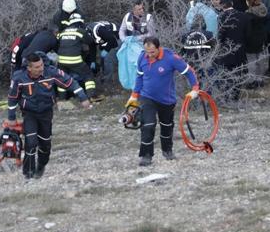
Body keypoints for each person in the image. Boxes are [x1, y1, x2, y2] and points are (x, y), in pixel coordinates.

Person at [7, 53, 92, 179]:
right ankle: (28, 174)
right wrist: (11, 117)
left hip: (46, 113)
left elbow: (70, 82)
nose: (40, 68)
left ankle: (41, 166)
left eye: (41, 65)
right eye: (36, 67)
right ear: (29, 68)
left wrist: (83, 98)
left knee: (45, 145)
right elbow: (12, 97)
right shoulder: (19, 78)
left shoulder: (50, 72)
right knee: (31, 143)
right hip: (29, 113)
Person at [127, 37, 199, 166]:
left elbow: (189, 72)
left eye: (152, 52)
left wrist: (195, 89)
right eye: (147, 51)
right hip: (147, 97)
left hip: (167, 100)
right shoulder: (142, 57)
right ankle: (146, 156)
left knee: (166, 126)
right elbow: (139, 76)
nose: (149, 55)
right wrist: (134, 95)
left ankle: (167, 150)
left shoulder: (171, 58)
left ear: (158, 48)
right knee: (148, 125)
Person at [56, 13, 102, 101]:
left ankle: (62, 99)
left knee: (62, 78)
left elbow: (59, 42)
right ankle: (91, 96)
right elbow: (90, 41)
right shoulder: (80, 31)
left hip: (61, 60)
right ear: (79, 22)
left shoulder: (62, 32)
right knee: (88, 75)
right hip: (74, 59)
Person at [214, 0, 250, 101]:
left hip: (226, 50)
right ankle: (236, 96)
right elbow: (248, 34)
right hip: (240, 49)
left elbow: (220, 36)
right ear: (232, 4)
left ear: (222, 6)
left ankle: (227, 96)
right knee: (238, 73)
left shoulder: (221, 17)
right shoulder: (244, 16)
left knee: (227, 74)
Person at [180, 14, 216, 92]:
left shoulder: (185, 36)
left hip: (192, 64)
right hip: (206, 63)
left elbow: (182, 52)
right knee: (207, 86)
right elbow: (215, 49)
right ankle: (206, 101)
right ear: (204, 23)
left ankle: (196, 102)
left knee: (194, 86)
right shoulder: (209, 34)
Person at [244, 0, 268, 88]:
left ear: (248, 2)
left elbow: (247, 30)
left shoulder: (248, 15)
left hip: (251, 40)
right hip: (262, 37)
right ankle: (260, 79)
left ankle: (251, 81)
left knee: (251, 61)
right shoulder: (264, 11)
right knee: (261, 59)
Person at [86, 20, 119, 86]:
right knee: (102, 60)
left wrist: (106, 50)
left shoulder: (99, 30)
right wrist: (93, 61)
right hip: (106, 38)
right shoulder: (87, 35)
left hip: (115, 35)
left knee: (107, 59)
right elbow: (92, 48)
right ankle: (104, 77)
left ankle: (107, 82)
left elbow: (113, 40)